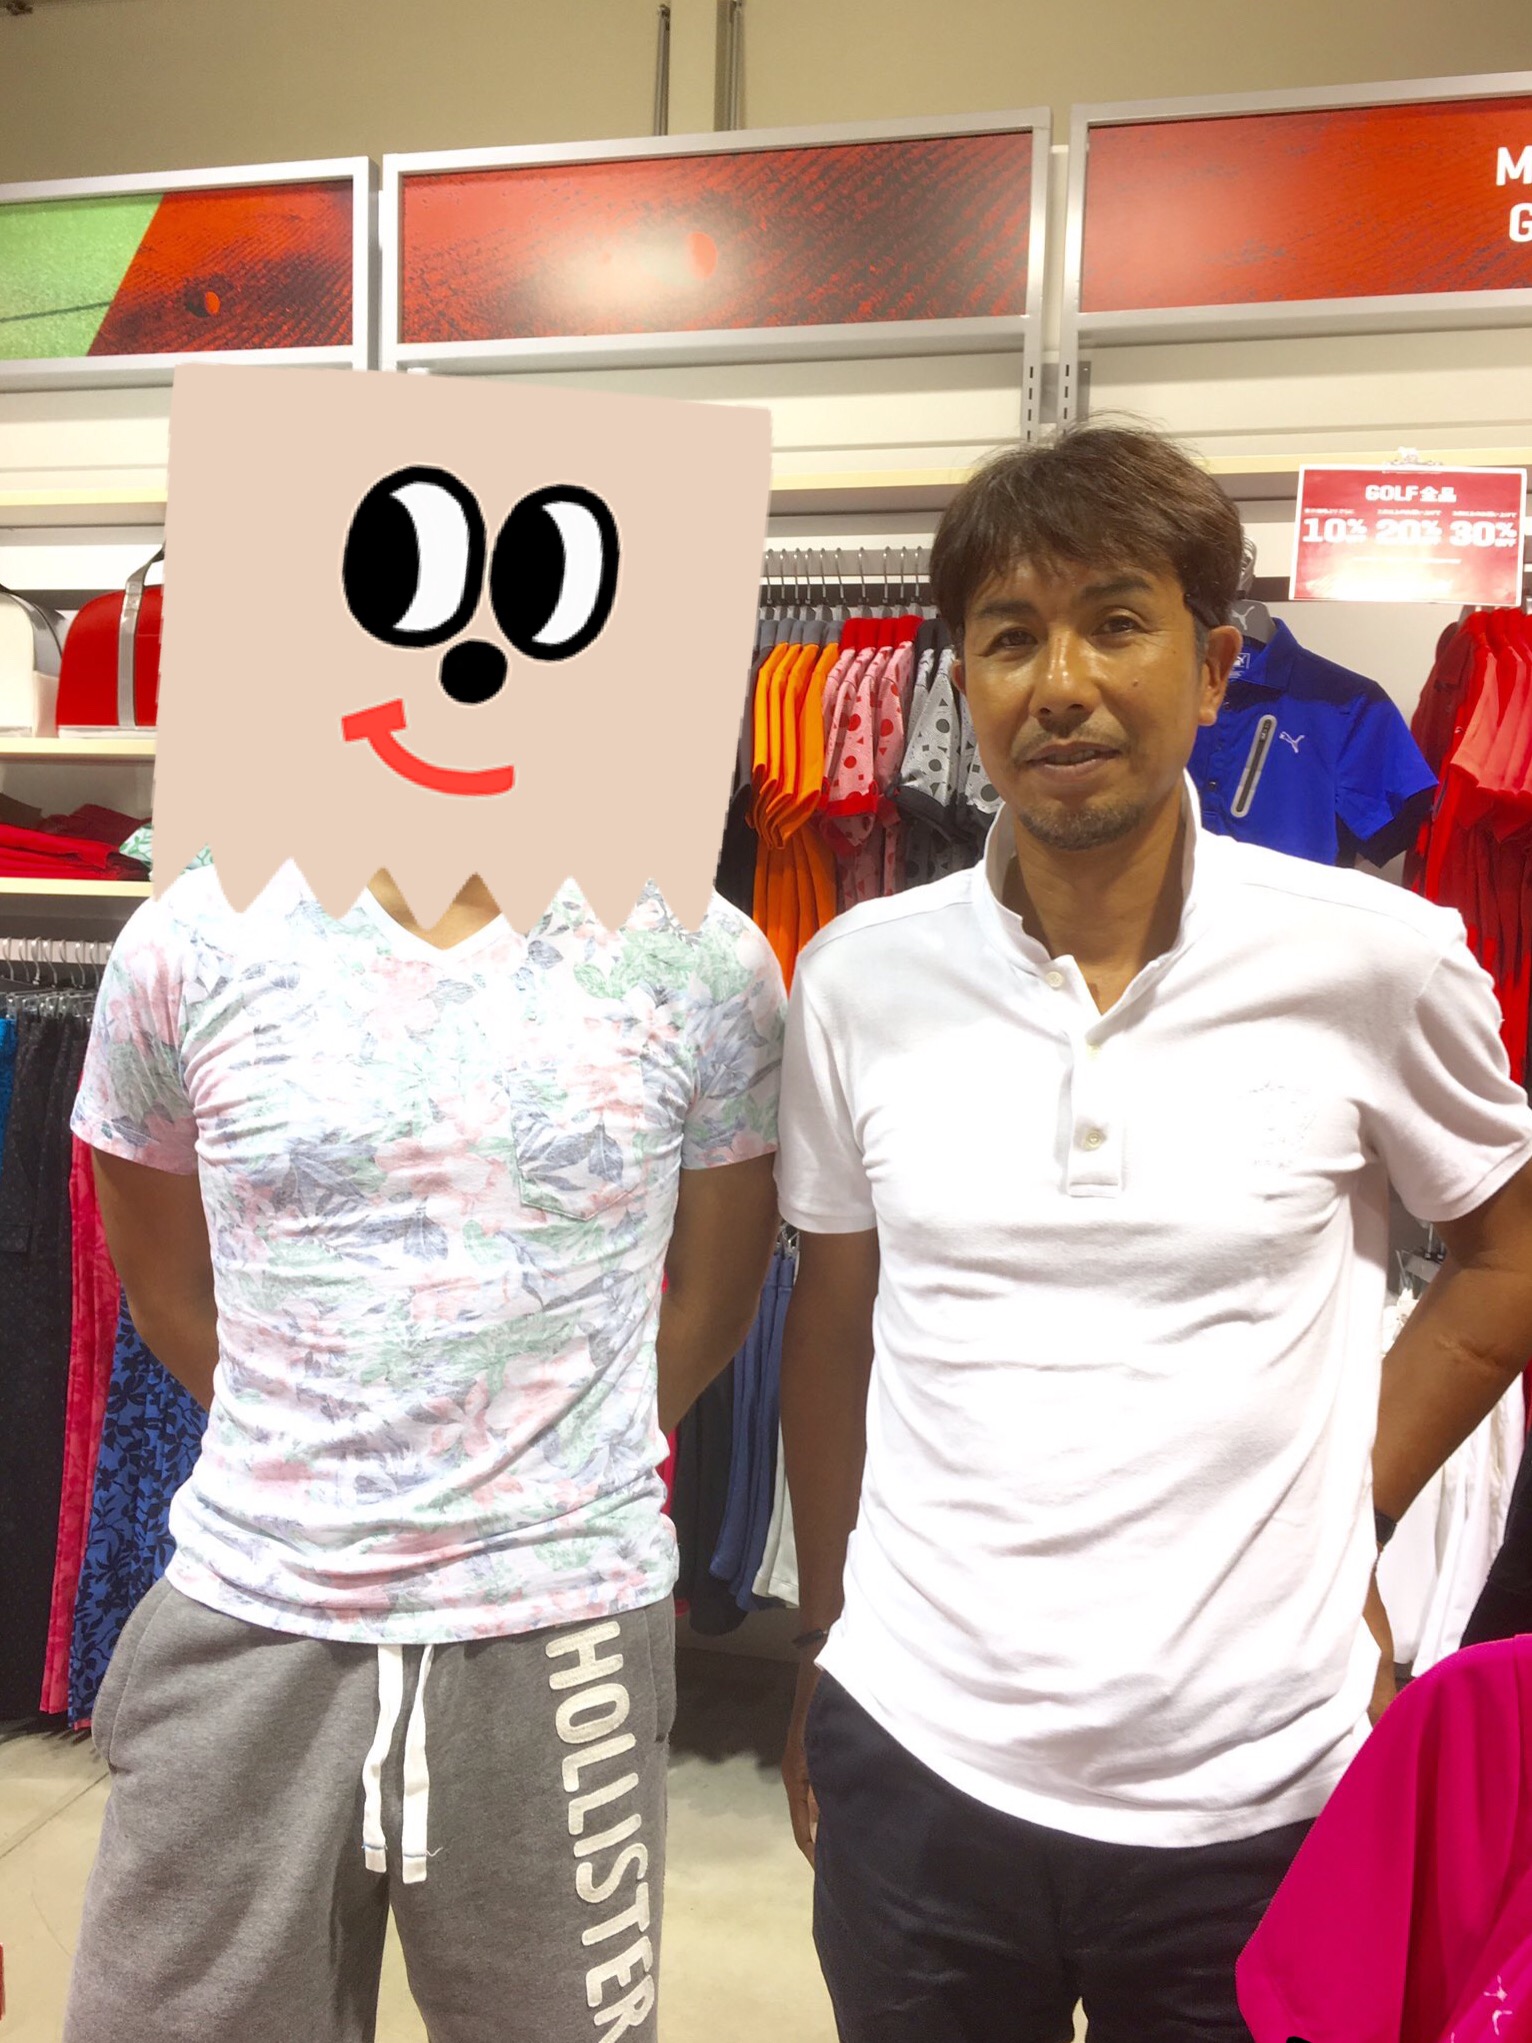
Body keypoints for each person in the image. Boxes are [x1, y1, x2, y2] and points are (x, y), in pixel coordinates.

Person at [774, 424, 1532, 2043]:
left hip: (1256, 1790)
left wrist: (1350, 1502)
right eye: (1009, 637)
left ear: (1212, 667)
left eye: (1116, 621)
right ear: (963, 684)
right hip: (919, 1760)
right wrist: (828, 1637)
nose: (1061, 684)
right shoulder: (856, 978)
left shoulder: (1378, 959)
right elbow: (833, 1318)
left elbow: (1509, 1255)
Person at [63, 858, 785, 2043]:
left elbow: (717, 1295)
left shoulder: (702, 953)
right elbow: (166, 1288)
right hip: (254, 1609)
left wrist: (549, 1457)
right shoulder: (188, 938)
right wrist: (323, 1458)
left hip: (560, 1632)